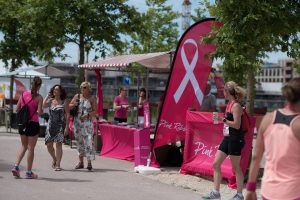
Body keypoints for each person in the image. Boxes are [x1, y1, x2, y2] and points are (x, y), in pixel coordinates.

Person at [245, 78, 300, 200]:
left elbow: (256, 157)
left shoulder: (268, 119)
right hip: (293, 192)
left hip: (269, 191)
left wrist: (250, 187)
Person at [203, 81, 246, 200]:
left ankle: (239, 195)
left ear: (229, 92)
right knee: (216, 164)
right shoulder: (229, 104)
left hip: (235, 140)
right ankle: (216, 193)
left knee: (236, 168)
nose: (223, 93)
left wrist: (222, 120)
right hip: (227, 138)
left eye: (224, 91)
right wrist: (220, 120)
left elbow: (237, 125)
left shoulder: (236, 106)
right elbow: (228, 123)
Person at [11, 76, 43, 179]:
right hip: (33, 124)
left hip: (22, 124)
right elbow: (39, 112)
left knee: (23, 146)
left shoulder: (24, 94)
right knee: (31, 149)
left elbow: (17, 109)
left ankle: (16, 166)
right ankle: (29, 172)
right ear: (40, 85)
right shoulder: (39, 97)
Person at [69, 82, 97, 171]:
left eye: (84, 87)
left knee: (88, 141)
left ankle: (89, 163)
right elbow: (69, 106)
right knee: (79, 142)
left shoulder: (92, 98)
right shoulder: (77, 96)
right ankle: (81, 162)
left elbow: (95, 111)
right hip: (77, 123)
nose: (82, 88)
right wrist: (74, 105)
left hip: (87, 123)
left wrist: (87, 115)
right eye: (81, 87)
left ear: (89, 88)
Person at [43, 84, 69, 171]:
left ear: (61, 92)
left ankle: (58, 164)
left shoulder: (64, 101)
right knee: (49, 145)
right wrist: (47, 95)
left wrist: (67, 127)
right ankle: (54, 158)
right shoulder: (50, 101)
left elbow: (68, 114)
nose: (55, 91)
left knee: (59, 145)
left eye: (57, 90)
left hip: (60, 126)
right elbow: (43, 105)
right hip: (50, 125)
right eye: (54, 90)